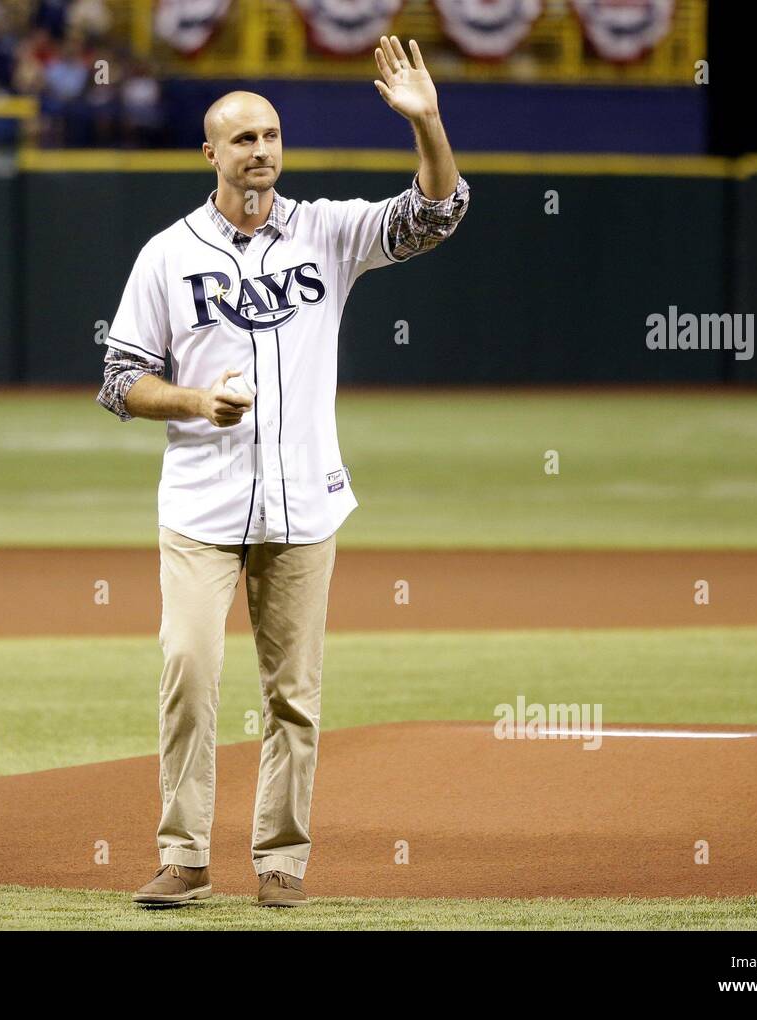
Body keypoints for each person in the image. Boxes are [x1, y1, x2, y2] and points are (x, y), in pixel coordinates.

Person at [94, 37, 469, 908]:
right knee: (188, 671)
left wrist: (430, 125)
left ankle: (281, 861)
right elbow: (119, 381)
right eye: (242, 139)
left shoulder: (329, 231)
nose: (260, 150)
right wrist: (193, 403)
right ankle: (184, 854)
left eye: (270, 135)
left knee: (293, 696)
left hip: (305, 504)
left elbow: (436, 215)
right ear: (210, 154)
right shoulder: (167, 254)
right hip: (200, 503)